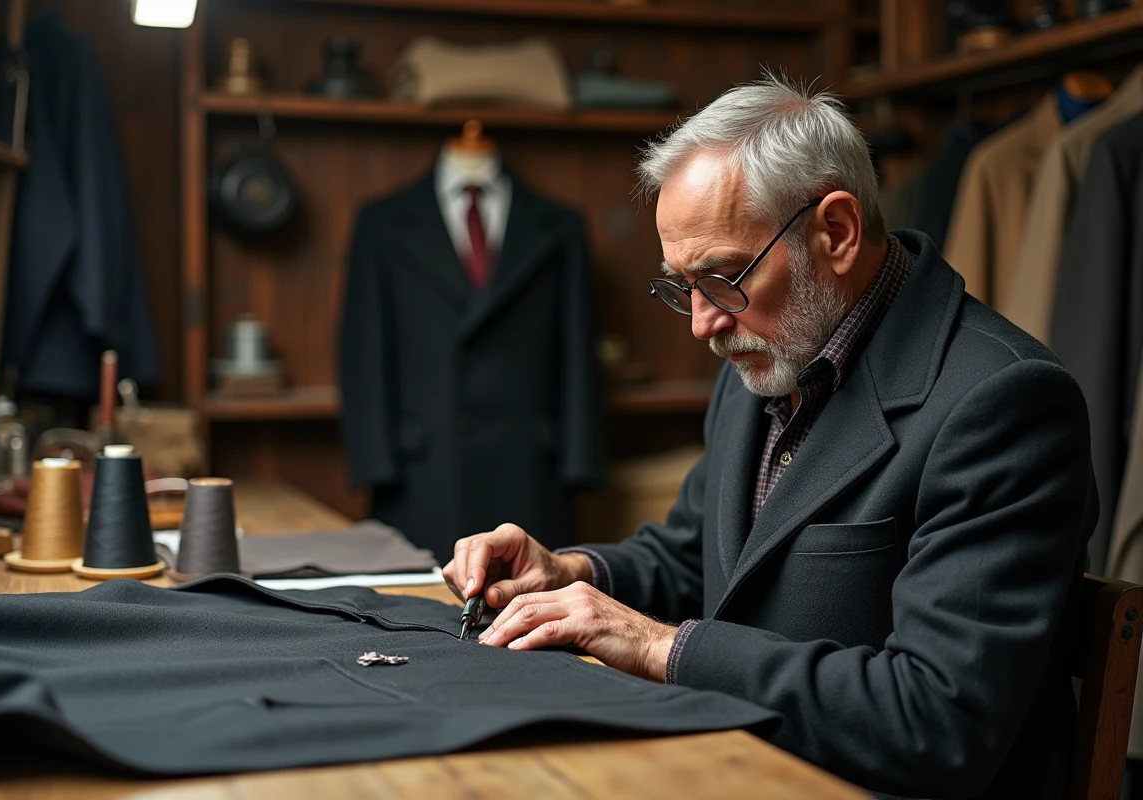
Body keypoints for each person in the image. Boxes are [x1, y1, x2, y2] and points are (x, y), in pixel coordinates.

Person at [442, 73, 1097, 799]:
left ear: (837, 232)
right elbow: (698, 556)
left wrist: (659, 646)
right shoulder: (768, 354)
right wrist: (571, 572)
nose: (702, 324)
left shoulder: (1003, 402)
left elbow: (937, 720)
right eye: (682, 286)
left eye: (724, 276)